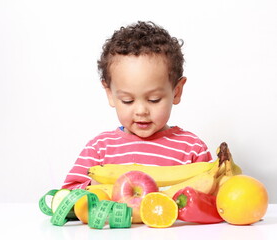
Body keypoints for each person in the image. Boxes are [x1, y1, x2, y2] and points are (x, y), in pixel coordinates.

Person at [62, 21, 212, 190]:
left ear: (176, 92)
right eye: (127, 101)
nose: (141, 111)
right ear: (110, 94)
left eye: (154, 99)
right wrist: (97, 187)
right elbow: (66, 196)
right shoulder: (100, 149)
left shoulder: (192, 149)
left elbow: (211, 199)